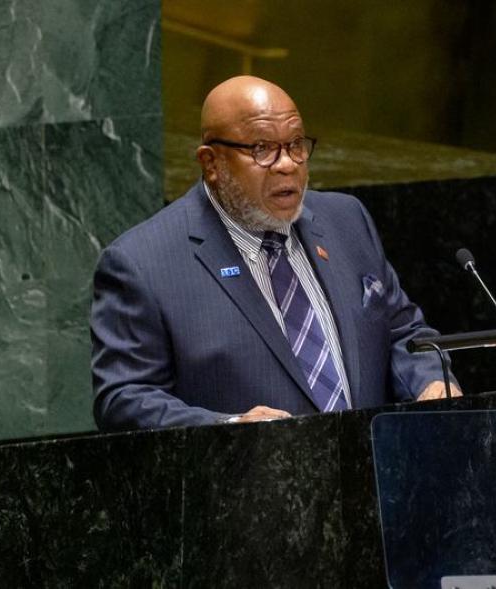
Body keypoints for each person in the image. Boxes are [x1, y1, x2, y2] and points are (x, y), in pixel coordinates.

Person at [91, 76, 458, 431]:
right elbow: (123, 398)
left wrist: (429, 382)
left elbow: (404, 332)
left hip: (373, 474)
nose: (288, 164)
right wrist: (227, 428)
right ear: (211, 163)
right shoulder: (142, 263)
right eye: (262, 149)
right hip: (249, 483)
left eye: (296, 144)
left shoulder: (346, 220)